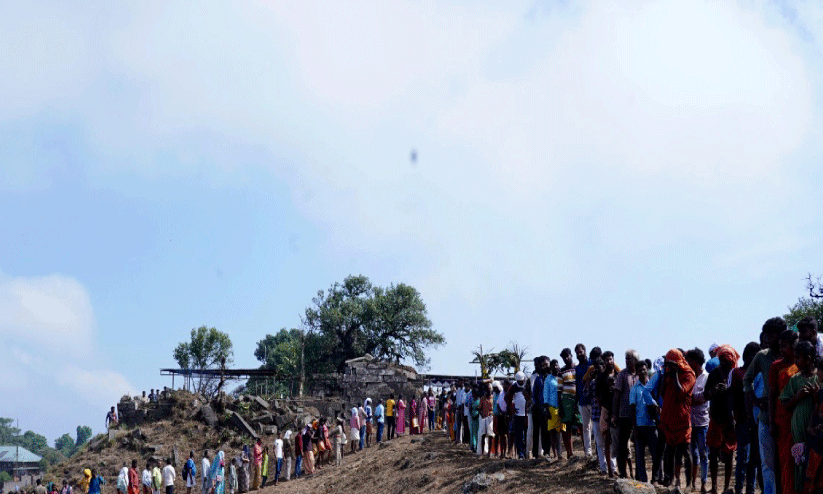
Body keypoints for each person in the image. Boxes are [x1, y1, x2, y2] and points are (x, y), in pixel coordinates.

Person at [743, 317, 787, 494]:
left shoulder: (791, 355)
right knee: (767, 463)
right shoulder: (762, 356)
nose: (768, 338)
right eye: (766, 334)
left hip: (787, 416)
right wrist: (755, 400)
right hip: (766, 417)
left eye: (772, 334)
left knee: (785, 461)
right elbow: (747, 380)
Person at [780, 340, 819, 493]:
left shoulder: (819, 377)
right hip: (799, 425)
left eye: (798, 358)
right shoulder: (795, 379)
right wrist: (798, 396)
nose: (795, 361)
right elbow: (785, 403)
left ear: (808, 359)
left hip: (816, 425)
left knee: (815, 458)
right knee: (800, 459)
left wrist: (816, 396)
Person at [705, 344, 739, 494]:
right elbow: (705, 394)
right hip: (716, 417)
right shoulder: (714, 374)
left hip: (730, 419)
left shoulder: (736, 374)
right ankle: (714, 486)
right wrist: (713, 391)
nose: (726, 364)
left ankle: (726, 487)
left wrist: (729, 390)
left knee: (729, 453)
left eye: (728, 361)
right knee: (713, 453)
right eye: (723, 361)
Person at [661, 349, 696, 489]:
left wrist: (675, 374)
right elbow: (662, 392)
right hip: (669, 420)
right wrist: (666, 374)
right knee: (669, 451)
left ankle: (689, 483)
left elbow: (681, 393)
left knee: (685, 451)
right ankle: (671, 481)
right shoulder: (669, 374)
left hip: (682, 420)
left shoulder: (689, 374)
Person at [769, 329, 799, 494]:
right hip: (782, 419)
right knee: (785, 460)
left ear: (794, 345)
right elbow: (772, 395)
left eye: (785, 346)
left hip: (800, 418)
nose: (781, 350)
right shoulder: (776, 366)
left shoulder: (803, 365)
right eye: (780, 346)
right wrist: (772, 422)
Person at [730, 342, 761, 494]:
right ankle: (738, 488)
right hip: (742, 420)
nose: (752, 358)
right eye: (750, 355)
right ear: (745, 356)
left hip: (757, 421)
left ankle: (750, 489)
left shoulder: (760, 374)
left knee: (753, 459)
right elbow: (732, 397)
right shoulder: (737, 373)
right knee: (741, 457)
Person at [612, 349, 638, 476]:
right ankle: (623, 472)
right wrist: (614, 415)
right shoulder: (622, 375)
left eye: (630, 358)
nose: (627, 361)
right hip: (625, 414)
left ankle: (638, 474)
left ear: (636, 360)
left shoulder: (640, 374)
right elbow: (616, 396)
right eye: (626, 358)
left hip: (639, 415)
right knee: (622, 445)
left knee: (638, 444)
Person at [687, 348, 709, 492]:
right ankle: (693, 482)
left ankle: (703, 483)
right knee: (693, 455)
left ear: (695, 362)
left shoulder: (706, 378)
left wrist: (690, 399)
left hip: (702, 422)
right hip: (690, 421)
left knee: (703, 454)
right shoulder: (689, 377)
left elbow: (703, 397)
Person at [575, 344, 595, 461]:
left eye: (580, 352)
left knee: (596, 427)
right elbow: (577, 385)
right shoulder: (577, 368)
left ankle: (599, 451)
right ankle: (588, 452)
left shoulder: (591, 364)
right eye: (577, 353)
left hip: (593, 400)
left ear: (585, 351)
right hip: (582, 401)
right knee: (585, 427)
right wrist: (577, 400)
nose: (579, 354)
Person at [531, 356, 550, 459]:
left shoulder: (552, 377)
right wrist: (537, 405)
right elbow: (534, 394)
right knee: (538, 431)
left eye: (546, 365)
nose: (544, 367)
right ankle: (537, 454)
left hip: (551, 408)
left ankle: (548, 452)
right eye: (542, 365)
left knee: (548, 431)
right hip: (539, 408)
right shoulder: (538, 379)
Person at [510, 371, 529, 459]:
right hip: (518, 415)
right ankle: (520, 454)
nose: (521, 383)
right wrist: (512, 408)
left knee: (527, 434)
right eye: (519, 381)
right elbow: (507, 397)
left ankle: (526, 452)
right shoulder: (513, 386)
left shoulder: (527, 385)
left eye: (522, 381)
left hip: (527, 414)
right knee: (519, 435)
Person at [478, 382, 494, 457]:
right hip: (484, 418)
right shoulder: (482, 398)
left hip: (491, 418)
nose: (489, 390)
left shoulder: (493, 398)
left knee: (490, 435)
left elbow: (495, 408)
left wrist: (492, 413)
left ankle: (489, 452)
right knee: (483, 435)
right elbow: (479, 409)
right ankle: (482, 452)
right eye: (488, 389)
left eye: (490, 389)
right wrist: (482, 414)